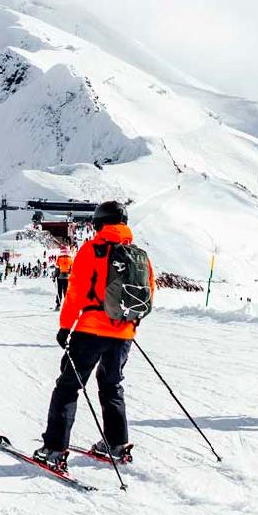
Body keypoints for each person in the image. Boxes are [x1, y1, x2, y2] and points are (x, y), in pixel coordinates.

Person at [33, 200, 154, 471]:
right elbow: (148, 294)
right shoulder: (139, 254)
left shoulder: (92, 250)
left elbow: (75, 293)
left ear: (99, 223)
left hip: (90, 330)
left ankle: (53, 448)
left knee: (68, 387)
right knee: (112, 386)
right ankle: (117, 443)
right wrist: (129, 326)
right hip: (123, 332)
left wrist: (65, 327)